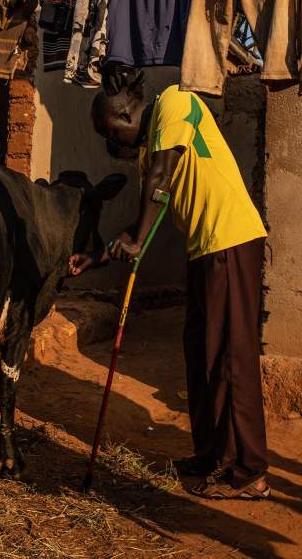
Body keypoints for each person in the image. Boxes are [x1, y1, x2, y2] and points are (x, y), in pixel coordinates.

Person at [69, 70, 271, 500]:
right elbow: (150, 209)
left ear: (126, 112)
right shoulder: (152, 152)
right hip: (204, 249)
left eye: (111, 132)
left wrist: (138, 240)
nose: (114, 144)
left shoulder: (176, 102)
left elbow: (159, 183)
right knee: (200, 354)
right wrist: (101, 256)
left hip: (231, 240)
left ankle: (250, 470)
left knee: (231, 359)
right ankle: (212, 455)